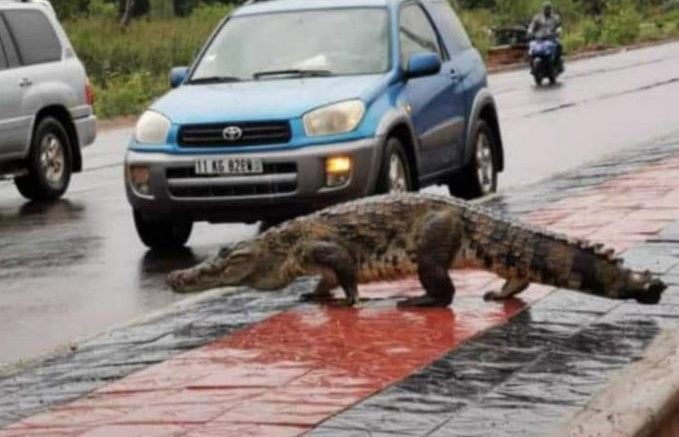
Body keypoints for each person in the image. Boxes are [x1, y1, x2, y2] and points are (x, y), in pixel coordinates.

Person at [527, 2, 563, 67]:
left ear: (550, 9)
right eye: (545, 9)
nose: (547, 10)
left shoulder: (555, 17)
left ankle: (558, 62)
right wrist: (530, 31)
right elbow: (532, 26)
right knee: (531, 48)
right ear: (542, 9)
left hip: (551, 37)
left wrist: (558, 30)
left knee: (559, 45)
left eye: (548, 9)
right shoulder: (537, 18)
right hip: (539, 38)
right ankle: (532, 64)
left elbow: (559, 26)